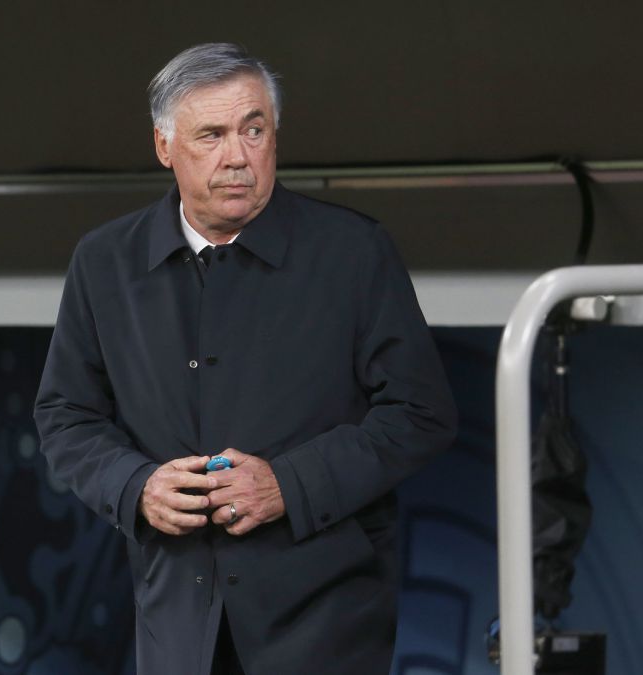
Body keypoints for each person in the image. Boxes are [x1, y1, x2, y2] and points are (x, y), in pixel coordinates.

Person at [34, 42, 457, 675]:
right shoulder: (104, 262)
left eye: (253, 130)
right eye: (212, 135)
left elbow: (421, 413)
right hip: (176, 622)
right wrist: (135, 486)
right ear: (164, 147)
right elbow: (66, 415)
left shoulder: (353, 251)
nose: (238, 156)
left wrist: (289, 485)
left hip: (324, 623)